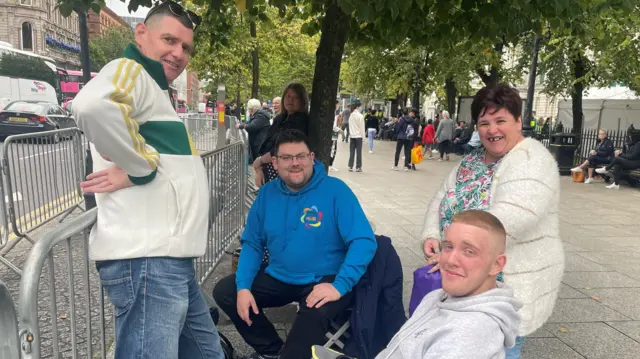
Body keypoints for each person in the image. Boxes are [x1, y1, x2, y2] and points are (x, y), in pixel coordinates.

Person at [73, 2, 225, 358]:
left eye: (186, 47)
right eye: (169, 40)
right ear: (141, 33)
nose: (178, 53)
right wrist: (142, 167)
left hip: (167, 259)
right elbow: (92, 105)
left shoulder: (154, 86)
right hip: (148, 261)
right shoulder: (132, 70)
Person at [422, 84, 564, 359]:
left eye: (501, 120)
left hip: (502, 289)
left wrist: (454, 251)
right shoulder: (472, 160)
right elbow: (441, 197)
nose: (492, 129)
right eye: (484, 122)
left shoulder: (532, 160)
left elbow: (511, 219)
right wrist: (431, 234)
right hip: (463, 281)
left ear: (519, 121)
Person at [213, 130, 377, 359]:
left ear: (312, 158)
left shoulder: (336, 191)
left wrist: (339, 285)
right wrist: (243, 287)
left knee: (303, 338)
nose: (295, 163)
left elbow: (364, 241)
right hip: (280, 275)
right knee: (226, 292)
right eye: (287, 158)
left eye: (300, 156)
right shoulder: (267, 193)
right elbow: (252, 244)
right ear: (276, 163)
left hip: (325, 279)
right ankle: (272, 350)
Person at [377, 210, 521, 359]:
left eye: (469, 251)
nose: (450, 260)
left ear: (496, 265)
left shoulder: (467, 336)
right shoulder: (436, 296)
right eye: (448, 246)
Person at [252, 83, 310, 187]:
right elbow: (265, 145)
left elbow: (282, 149)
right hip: (268, 171)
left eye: (295, 97)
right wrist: (259, 169)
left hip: (283, 175)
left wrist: (259, 161)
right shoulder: (280, 118)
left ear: (302, 101)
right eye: (288, 96)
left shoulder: (300, 121)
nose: (290, 100)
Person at [238, 98, 272, 163]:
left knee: (260, 167)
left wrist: (240, 126)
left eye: (248, 108)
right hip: (258, 144)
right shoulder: (257, 115)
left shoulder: (260, 116)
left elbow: (251, 127)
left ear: (251, 108)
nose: (248, 110)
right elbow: (248, 123)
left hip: (260, 145)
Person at [348, 100, 366, 172]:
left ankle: (350, 166)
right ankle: (358, 167)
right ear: (358, 107)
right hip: (358, 136)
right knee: (359, 152)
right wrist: (363, 137)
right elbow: (362, 128)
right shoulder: (360, 116)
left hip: (352, 136)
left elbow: (350, 126)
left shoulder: (351, 115)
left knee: (352, 152)